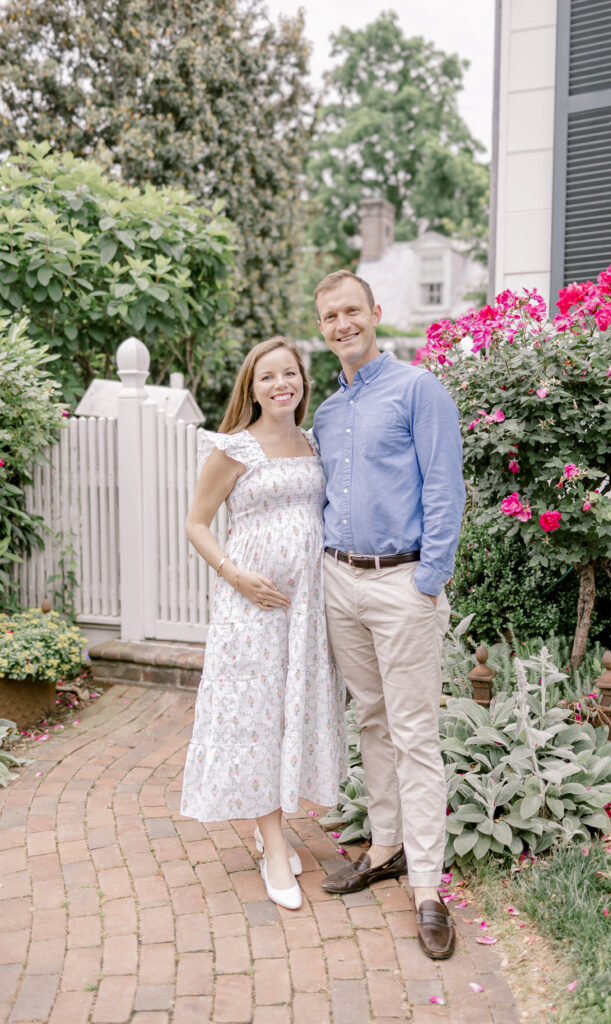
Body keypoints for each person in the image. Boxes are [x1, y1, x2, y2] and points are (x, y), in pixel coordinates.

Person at [313, 270, 465, 959]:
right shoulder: (326, 412)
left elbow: (445, 486)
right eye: (328, 318)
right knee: (370, 720)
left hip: (402, 582)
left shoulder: (417, 389)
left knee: (413, 732)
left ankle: (428, 889)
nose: (341, 324)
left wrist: (428, 581)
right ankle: (384, 848)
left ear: (374, 313)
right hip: (340, 581)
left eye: (350, 311)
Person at [181, 336, 347, 911]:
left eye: (291, 374)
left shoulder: (312, 442)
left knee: (285, 714)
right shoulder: (235, 448)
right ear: (251, 388)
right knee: (255, 717)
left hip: (306, 611)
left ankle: (266, 825)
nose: (282, 385)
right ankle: (275, 848)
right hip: (253, 608)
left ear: (303, 380)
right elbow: (197, 523)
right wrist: (236, 575)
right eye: (269, 377)